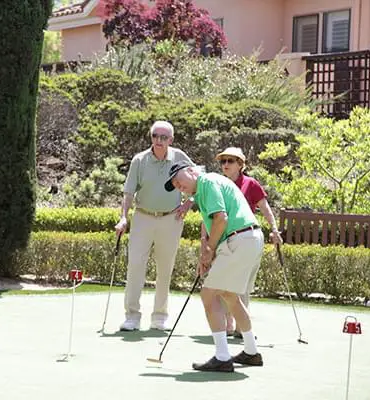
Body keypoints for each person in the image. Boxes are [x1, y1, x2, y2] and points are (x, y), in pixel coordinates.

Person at [165, 161, 264, 372]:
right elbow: (216, 223)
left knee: (209, 294)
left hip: (239, 238)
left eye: (178, 180)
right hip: (249, 239)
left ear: (191, 171)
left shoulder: (207, 181)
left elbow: (221, 219)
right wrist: (209, 254)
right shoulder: (204, 188)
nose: (177, 185)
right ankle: (251, 352)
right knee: (229, 295)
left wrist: (209, 251)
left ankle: (222, 356)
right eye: (174, 184)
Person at [115, 121, 195, 331]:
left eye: (163, 137)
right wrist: (124, 217)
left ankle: (159, 317)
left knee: (165, 269)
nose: (158, 141)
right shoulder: (139, 160)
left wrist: (189, 202)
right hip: (143, 217)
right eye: (155, 136)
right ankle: (132, 316)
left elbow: (199, 180)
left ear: (171, 139)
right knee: (135, 266)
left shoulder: (179, 157)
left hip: (171, 218)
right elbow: (129, 192)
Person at [214, 147, 282, 337]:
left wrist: (274, 230)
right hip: (224, 238)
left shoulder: (250, 184)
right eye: (223, 161)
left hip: (244, 238)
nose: (225, 165)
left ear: (240, 165)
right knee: (223, 281)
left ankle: (239, 326)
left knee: (242, 283)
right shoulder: (218, 184)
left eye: (230, 161)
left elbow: (265, 208)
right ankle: (228, 323)